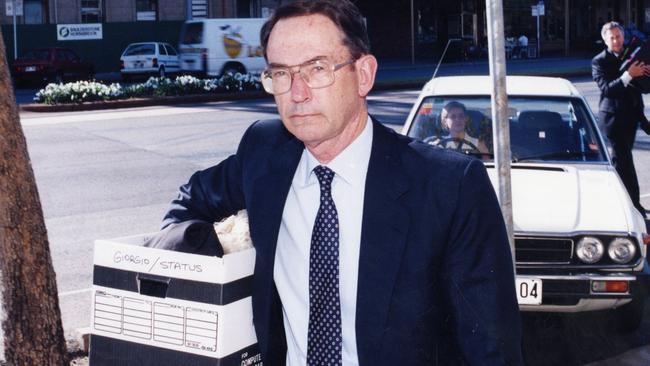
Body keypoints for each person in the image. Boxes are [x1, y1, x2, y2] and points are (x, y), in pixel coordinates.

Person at [162, 1, 523, 364]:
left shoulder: (450, 187)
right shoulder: (265, 154)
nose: (297, 93)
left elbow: (492, 350)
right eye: (281, 74)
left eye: (317, 69)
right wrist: (226, 251)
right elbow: (187, 206)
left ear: (364, 74)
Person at [592, 21, 650, 218]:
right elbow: (607, 89)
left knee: (622, 162)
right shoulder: (598, 61)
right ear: (605, 40)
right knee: (624, 162)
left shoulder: (632, 54)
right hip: (613, 120)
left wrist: (643, 74)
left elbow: (637, 91)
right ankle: (633, 206)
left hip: (631, 119)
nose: (616, 41)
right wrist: (628, 75)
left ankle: (621, 201)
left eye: (619, 36)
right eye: (612, 38)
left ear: (623, 37)